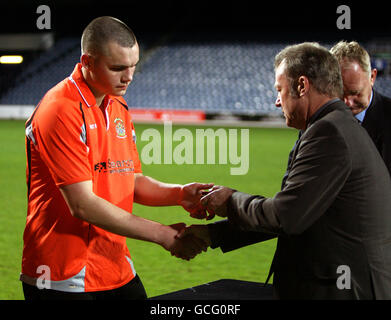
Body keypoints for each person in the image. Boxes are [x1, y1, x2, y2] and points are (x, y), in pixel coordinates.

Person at [21, 16, 212, 300]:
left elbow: (129, 180)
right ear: (87, 62)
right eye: (117, 68)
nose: (129, 77)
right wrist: (163, 235)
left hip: (114, 267)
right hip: (61, 276)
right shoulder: (60, 109)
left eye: (133, 66)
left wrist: (180, 194)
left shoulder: (118, 105)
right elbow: (82, 205)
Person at [180, 43, 391, 299]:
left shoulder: (329, 132)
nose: (277, 101)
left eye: (279, 89)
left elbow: (288, 216)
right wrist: (212, 234)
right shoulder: (330, 127)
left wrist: (230, 201)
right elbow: (300, 212)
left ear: (302, 86)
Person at [330, 40, 391, 175]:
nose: (347, 103)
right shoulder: (317, 118)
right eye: (339, 94)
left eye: (355, 93)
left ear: (372, 77)